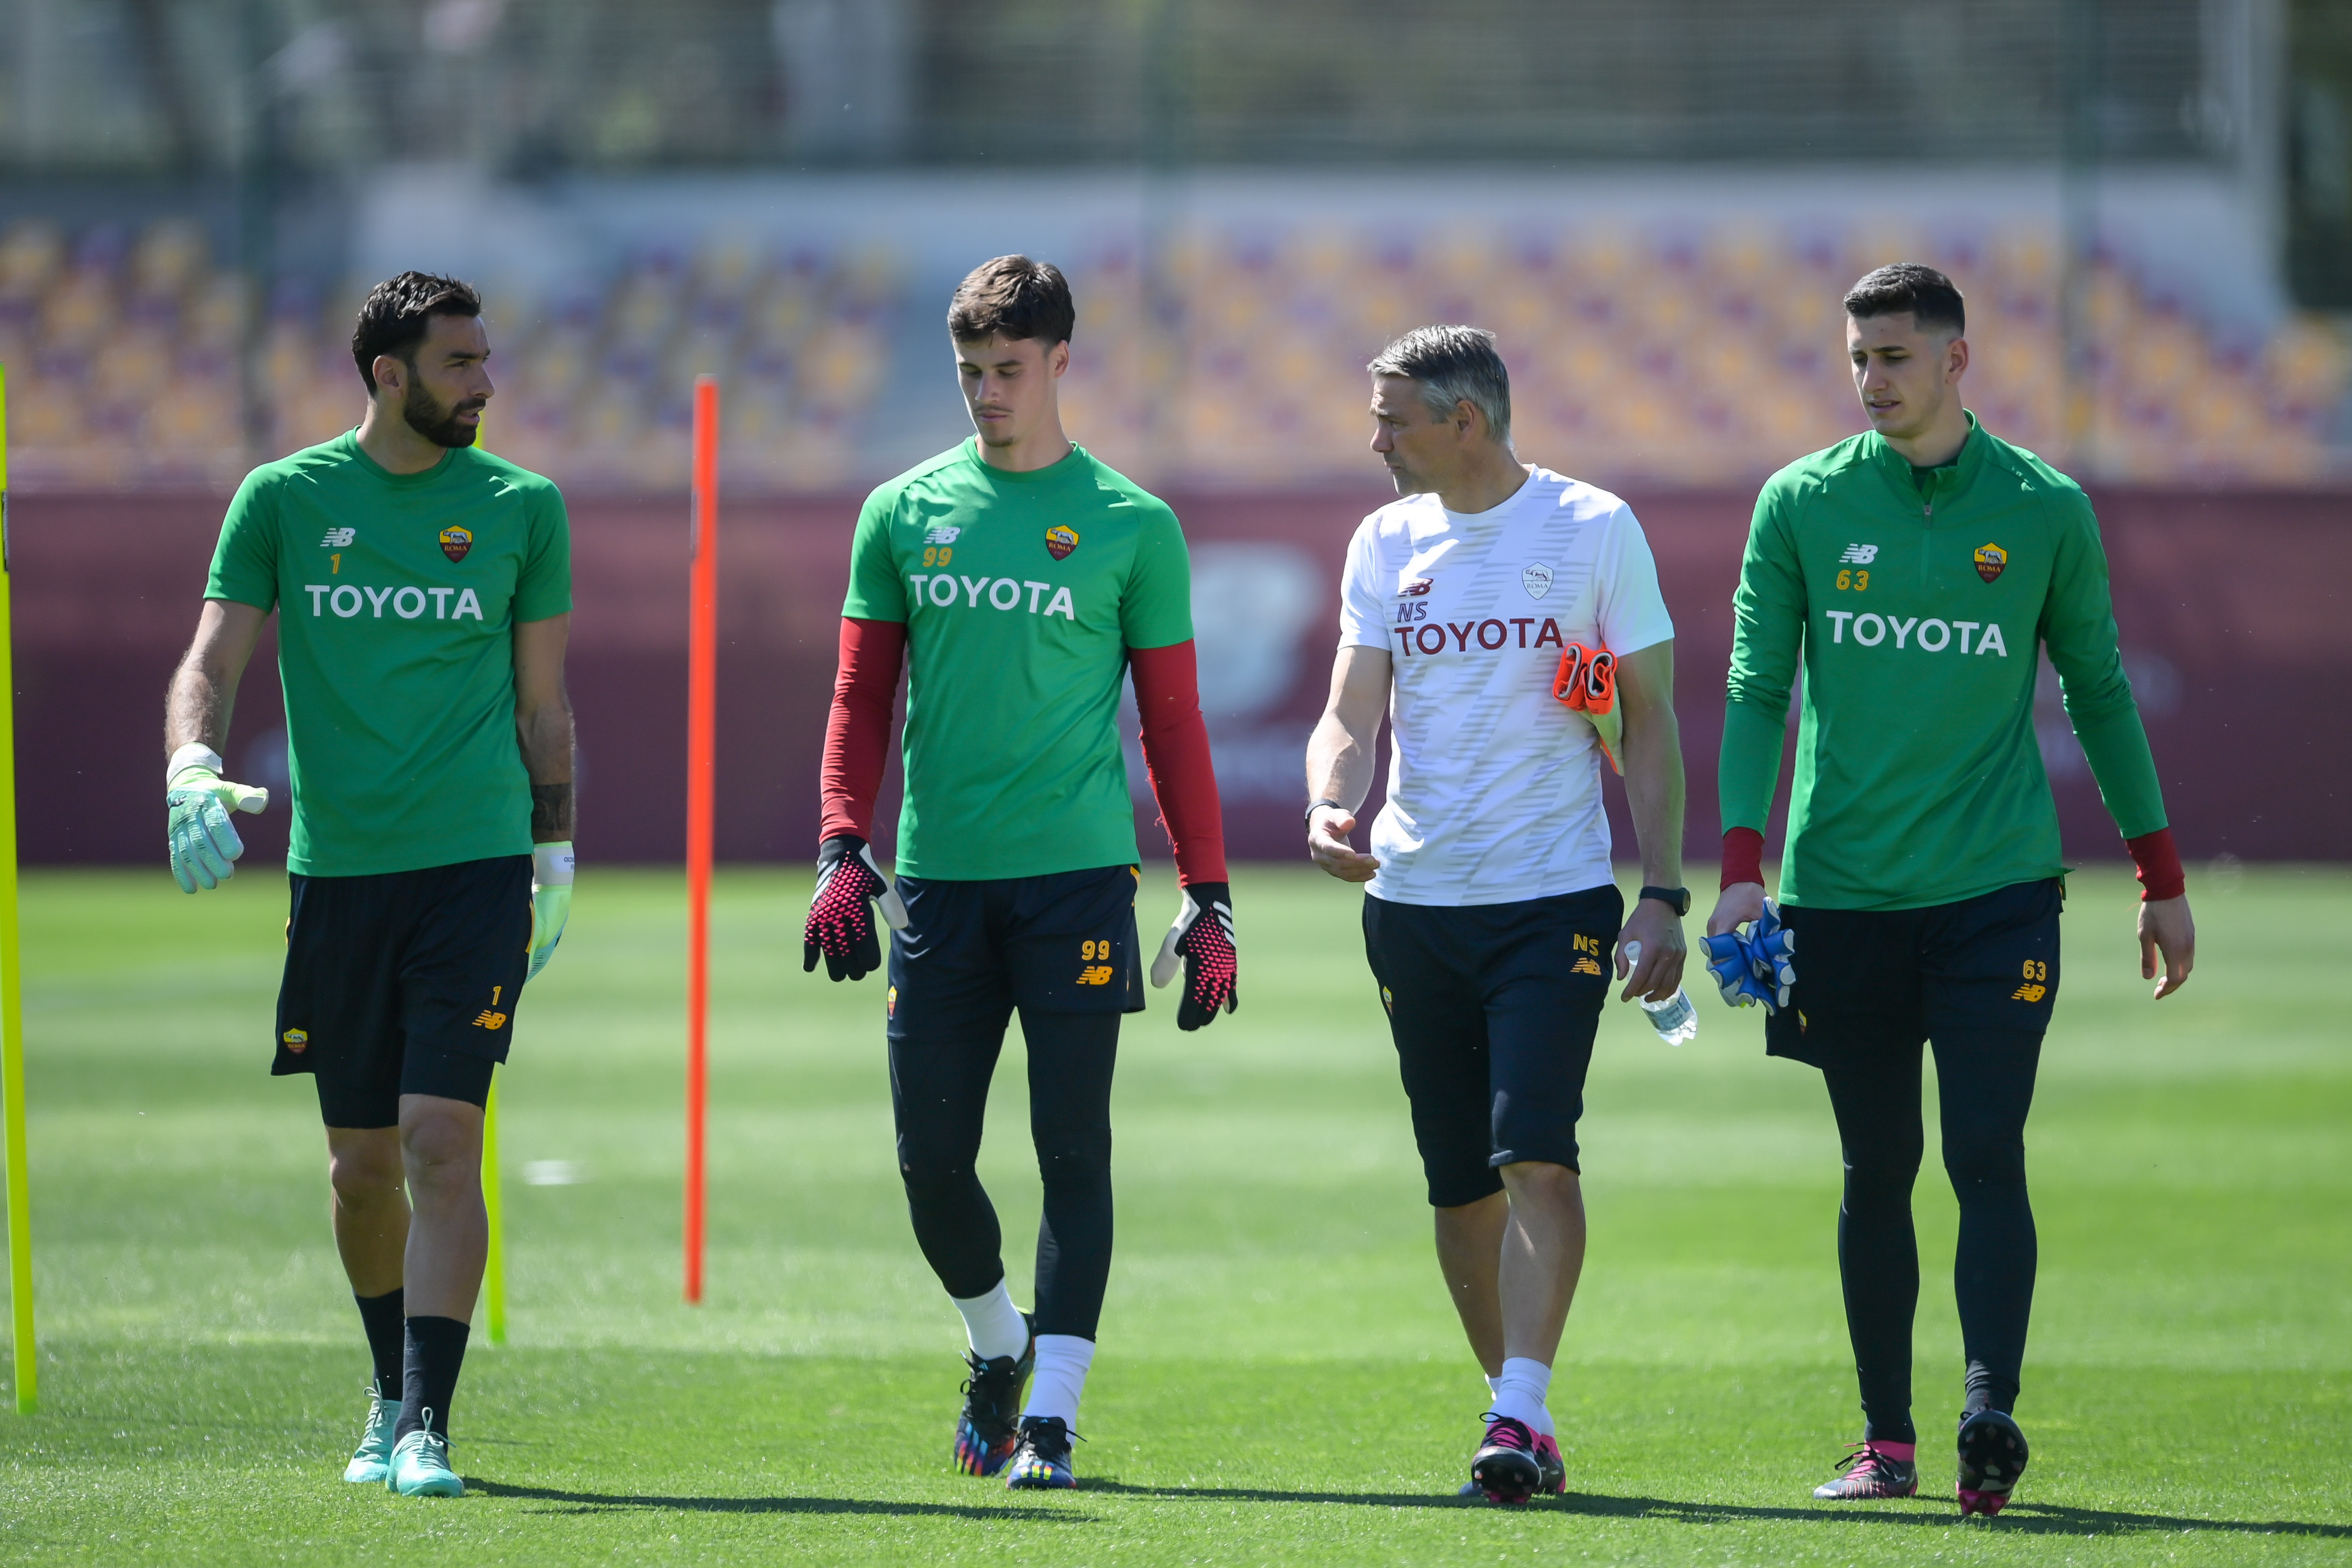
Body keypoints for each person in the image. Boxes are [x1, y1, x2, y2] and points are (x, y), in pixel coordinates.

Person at [1705, 263, 2194, 1516]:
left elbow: (2098, 690)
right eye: (1859, 356)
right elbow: (1760, 688)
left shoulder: (2043, 508)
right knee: (1877, 1168)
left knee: (1986, 1151)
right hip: (1839, 899)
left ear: (1957, 361)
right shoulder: (1801, 502)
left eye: (1896, 357)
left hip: (1996, 895)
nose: (1873, 378)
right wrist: (1744, 873)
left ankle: (1989, 1415)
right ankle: (1887, 1441)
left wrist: (2160, 875)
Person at [801, 255, 1235, 1491]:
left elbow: (1174, 726)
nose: (987, 394)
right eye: (969, 373)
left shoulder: (1130, 524)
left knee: (1073, 1151)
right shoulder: (899, 511)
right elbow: (860, 697)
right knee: (928, 1161)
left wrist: (1209, 894)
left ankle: (1051, 1414)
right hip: (940, 884)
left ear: (1059, 362)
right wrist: (842, 842)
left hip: (1079, 884)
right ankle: (998, 1339)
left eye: (1007, 370)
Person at [163, 272, 575, 1499]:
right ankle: (387, 1385)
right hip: (338, 879)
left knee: (443, 1141)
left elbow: (542, 705)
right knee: (359, 1169)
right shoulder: (283, 500)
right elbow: (211, 662)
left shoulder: (523, 508)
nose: (485, 383)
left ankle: (427, 1427)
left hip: (475, 869)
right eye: (460, 364)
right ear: (390, 375)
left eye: (487, 359)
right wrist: (190, 760)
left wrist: (552, 851)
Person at [1304, 325, 1689, 1504]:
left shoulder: (1592, 527)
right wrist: (1331, 798)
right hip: (1413, 905)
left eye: (1392, 419)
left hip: (1552, 901)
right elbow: (1349, 711)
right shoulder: (1385, 540)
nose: (1374, 439)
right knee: (1456, 1186)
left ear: (1463, 420)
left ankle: (1515, 1409)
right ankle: (1519, 1408)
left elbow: (1651, 724)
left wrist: (1663, 892)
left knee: (1536, 1156)